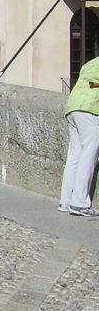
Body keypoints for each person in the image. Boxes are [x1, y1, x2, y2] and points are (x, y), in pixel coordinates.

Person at [59, 57, 99, 216]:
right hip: (90, 109)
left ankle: (66, 200)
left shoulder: (91, 63)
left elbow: (90, 83)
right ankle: (79, 203)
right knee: (89, 154)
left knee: (74, 154)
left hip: (72, 107)